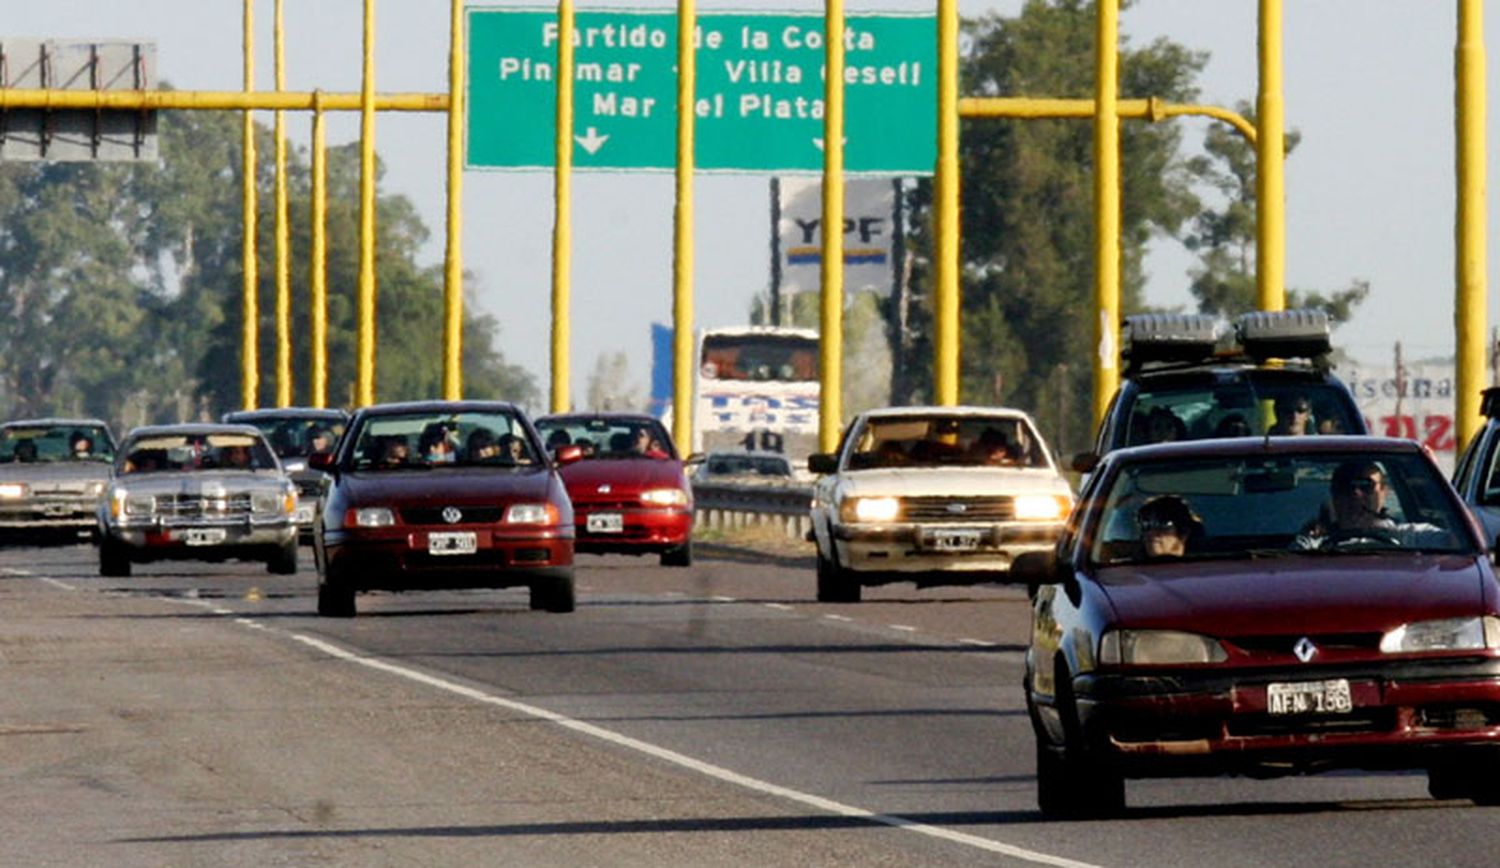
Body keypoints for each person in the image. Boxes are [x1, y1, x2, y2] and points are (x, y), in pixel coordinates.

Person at [1292, 460, 1448, 550]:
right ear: (1334, 495)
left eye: (1366, 486)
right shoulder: (1314, 543)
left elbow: (1459, 541)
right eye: (1346, 487)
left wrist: (1438, 482)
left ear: (1384, 492)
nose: (1356, 494)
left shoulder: (1409, 537)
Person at [1135, 495, 1200, 559]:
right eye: (1145, 525)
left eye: (1163, 524)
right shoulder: (1131, 567)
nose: (1151, 533)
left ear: (1184, 533)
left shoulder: (1203, 567)